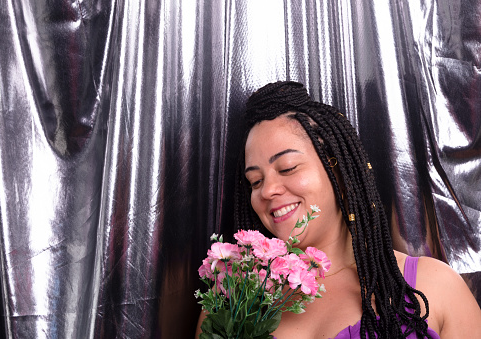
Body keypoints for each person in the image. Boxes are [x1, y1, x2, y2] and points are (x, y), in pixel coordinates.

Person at [196, 81, 481, 338]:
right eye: (255, 181)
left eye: (287, 168)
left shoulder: (438, 288)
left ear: (339, 172)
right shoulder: (235, 301)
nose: (267, 190)